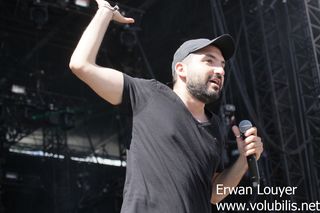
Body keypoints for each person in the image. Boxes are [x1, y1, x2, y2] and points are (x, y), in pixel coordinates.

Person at [69, 1, 263, 212]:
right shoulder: (147, 95)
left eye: (222, 65)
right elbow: (81, 65)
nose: (220, 70)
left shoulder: (215, 126)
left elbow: (213, 194)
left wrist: (244, 160)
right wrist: (105, 12)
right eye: (209, 61)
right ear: (181, 70)